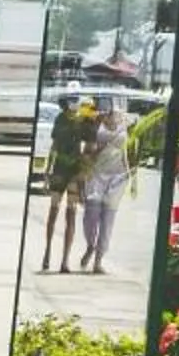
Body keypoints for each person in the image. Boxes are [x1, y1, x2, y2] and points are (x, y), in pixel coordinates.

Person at [78, 102, 130, 274]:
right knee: (91, 216)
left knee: (108, 222)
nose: (110, 114)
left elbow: (129, 152)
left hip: (117, 177)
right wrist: (84, 172)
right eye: (107, 111)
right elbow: (86, 152)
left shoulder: (125, 123)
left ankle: (98, 261)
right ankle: (90, 245)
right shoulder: (96, 124)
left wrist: (129, 173)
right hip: (97, 175)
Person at [43, 96, 90, 273]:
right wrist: (48, 169)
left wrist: (84, 173)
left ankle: (65, 260)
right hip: (59, 168)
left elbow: (88, 146)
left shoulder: (83, 120)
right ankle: (47, 252)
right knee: (54, 209)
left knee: (71, 213)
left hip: (74, 169)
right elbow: (54, 144)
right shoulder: (60, 119)